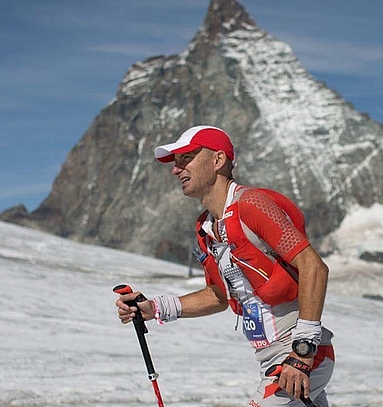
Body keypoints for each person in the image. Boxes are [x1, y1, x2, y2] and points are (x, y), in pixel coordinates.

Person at [116, 125, 335, 406]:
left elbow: (313, 267)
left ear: (218, 160)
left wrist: (303, 351)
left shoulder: (252, 204)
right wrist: (155, 308)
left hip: (299, 356)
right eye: (175, 161)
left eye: (186, 158)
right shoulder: (206, 227)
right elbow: (219, 296)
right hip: (272, 359)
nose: (175, 169)